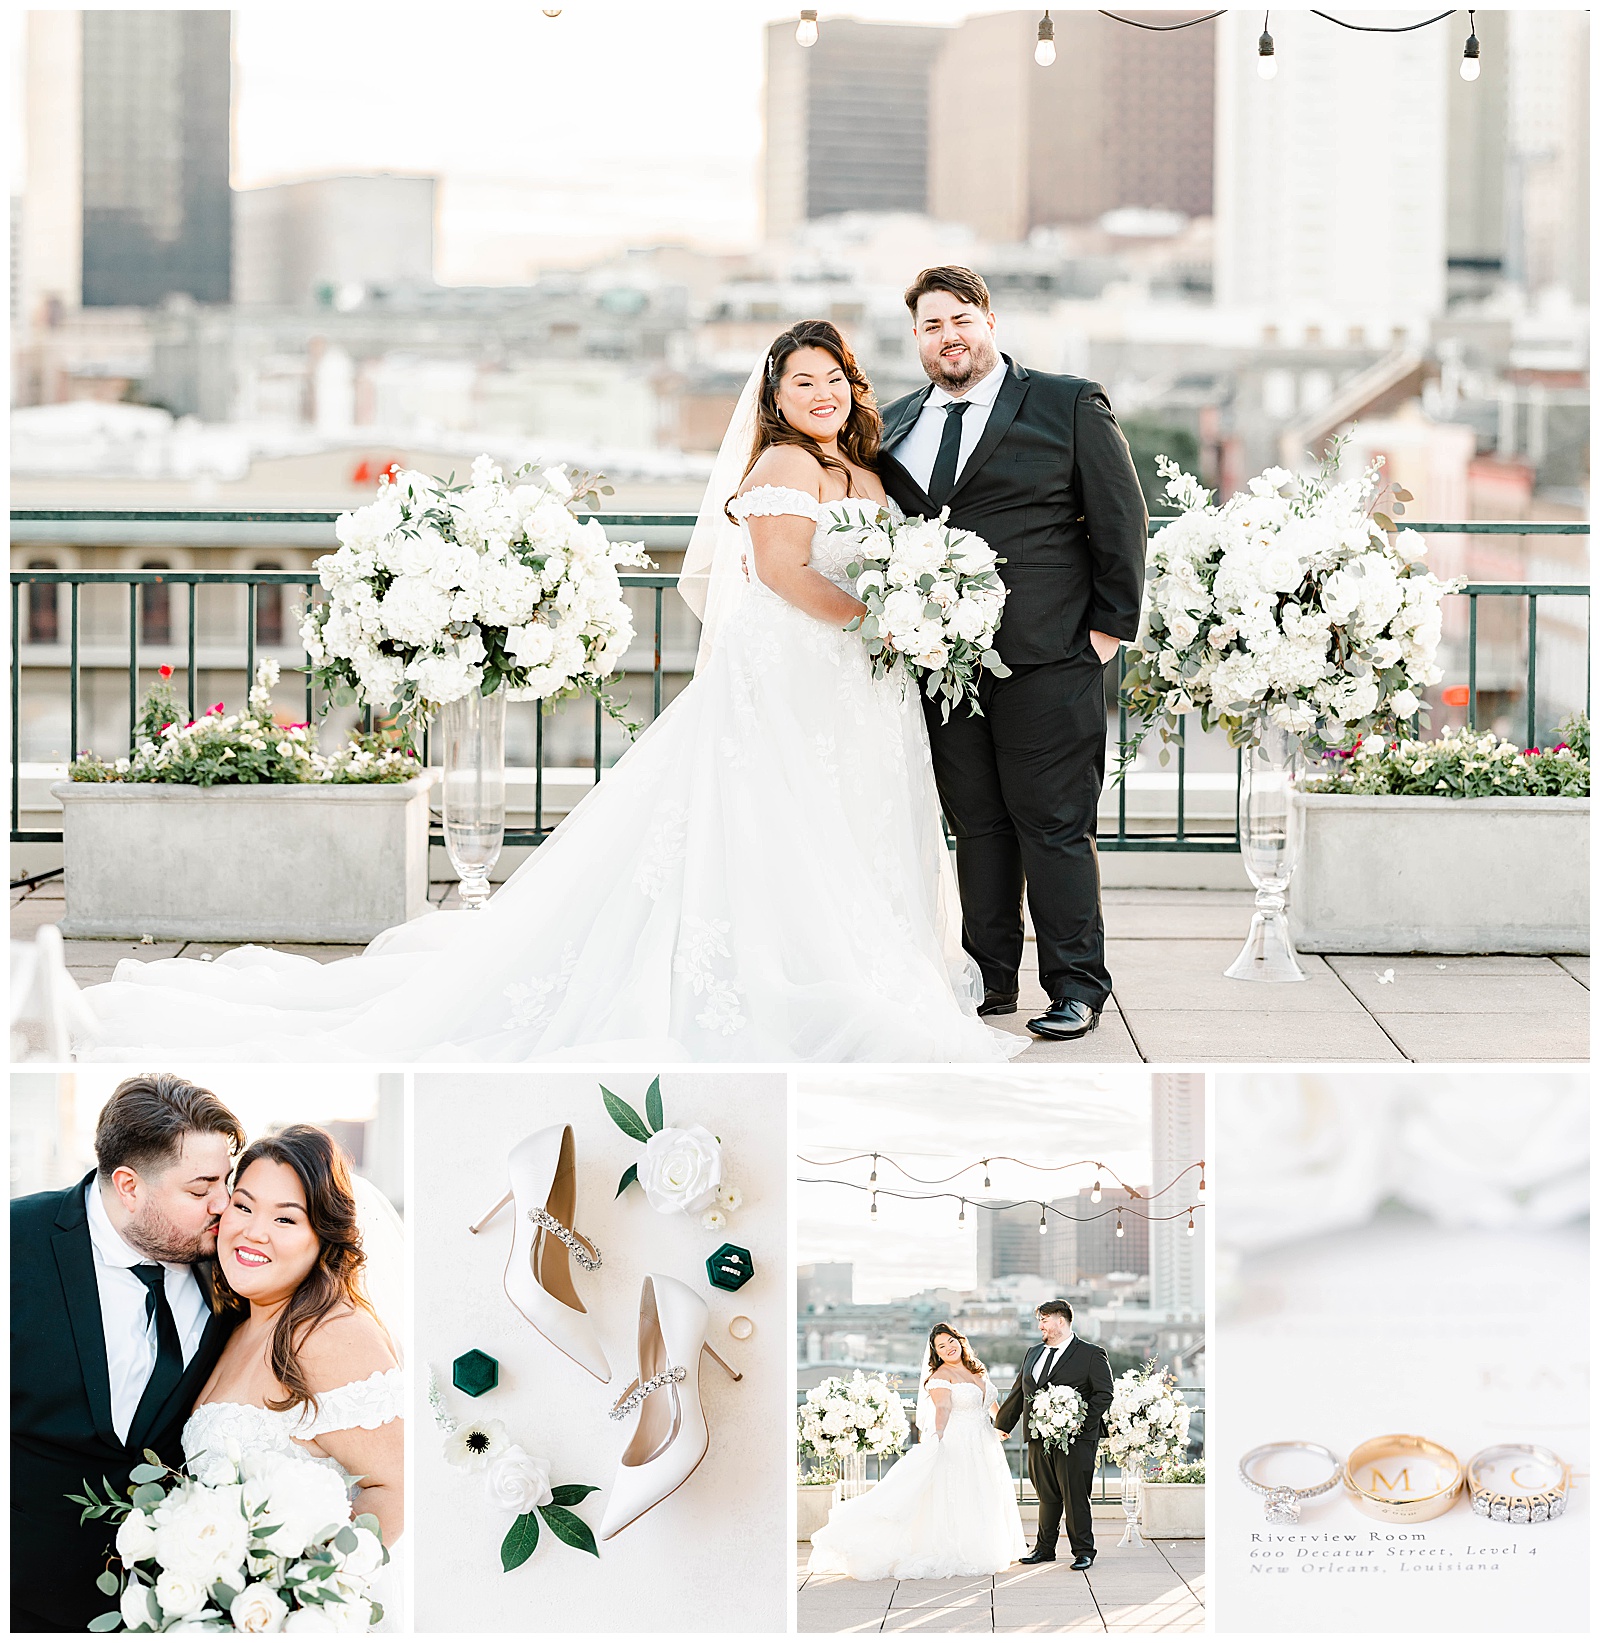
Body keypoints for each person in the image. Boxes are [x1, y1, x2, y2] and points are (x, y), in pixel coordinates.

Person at [76, 322, 1018, 1065]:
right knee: (774, 826)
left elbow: (878, 557)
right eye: (800, 380)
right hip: (798, 670)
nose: (821, 393)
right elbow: (778, 571)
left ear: (855, 387)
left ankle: (847, 964)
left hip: (853, 683)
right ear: (773, 398)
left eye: (834, 378)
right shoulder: (781, 466)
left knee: (835, 826)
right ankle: (800, 977)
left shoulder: (860, 466)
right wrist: (875, 619)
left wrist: (911, 605)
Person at [877, 267, 1148, 1042]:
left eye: (960, 318)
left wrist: (1105, 632)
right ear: (918, 340)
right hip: (945, 666)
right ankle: (987, 978)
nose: (948, 336)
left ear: (988, 320)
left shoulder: (1067, 402)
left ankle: (1075, 986)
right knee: (979, 828)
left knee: (1054, 825)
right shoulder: (895, 423)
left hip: (1050, 655)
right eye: (931, 326)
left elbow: (1121, 521)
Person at [10, 1073, 246, 1632]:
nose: (226, 1204)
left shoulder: (238, 1262)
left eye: (227, 1179)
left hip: (174, 1605)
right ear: (128, 1185)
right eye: (201, 1188)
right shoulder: (13, 1243)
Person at [182, 1124, 404, 1627]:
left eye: (286, 1219)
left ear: (322, 1238)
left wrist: (299, 1596)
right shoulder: (237, 1326)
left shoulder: (331, 1333)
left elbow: (397, 1488)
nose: (254, 1231)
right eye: (243, 1206)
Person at [807, 1323, 1025, 1580]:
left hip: (984, 1440)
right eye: (941, 1347)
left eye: (950, 1341)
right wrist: (938, 1439)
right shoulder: (939, 1377)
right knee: (962, 1492)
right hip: (958, 1440)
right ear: (936, 1353)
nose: (948, 1348)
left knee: (985, 1491)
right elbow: (942, 1409)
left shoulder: (976, 1368)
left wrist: (1000, 1425)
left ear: (960, 1340)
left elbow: (990, 1402)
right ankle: (965, 1550)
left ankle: (988, 1543)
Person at [995, 1300, 1114, 1569]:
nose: (1040, 1326)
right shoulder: (1032, 1353)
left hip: (1076, 1439)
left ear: (1061, 1321)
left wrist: (1078, 1424)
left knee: (1075, 1495)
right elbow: (1019, 1392)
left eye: (1045, 1320)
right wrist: (1002, 1425)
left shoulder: (1092, 1353)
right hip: (1038, 1436)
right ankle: (1044, 1548)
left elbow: (1104, 1393)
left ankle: (1083, 1550)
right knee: (1046, 1495)